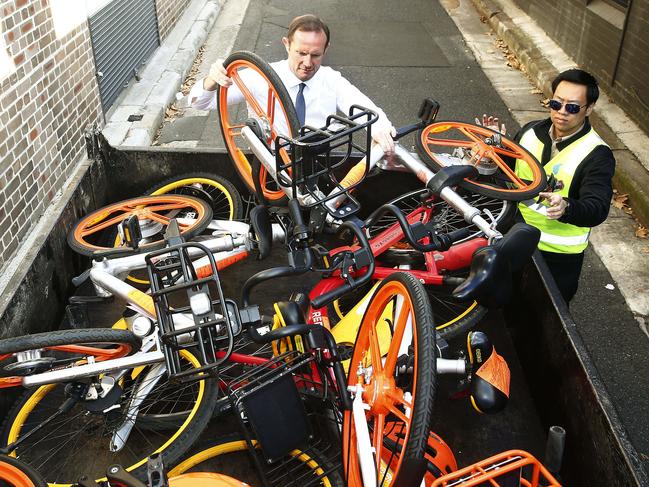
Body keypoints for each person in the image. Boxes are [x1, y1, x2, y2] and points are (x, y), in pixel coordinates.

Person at [483, 69, 615, 303]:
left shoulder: (598, 154)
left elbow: (597, 208)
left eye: (572, 107)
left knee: (543, 327)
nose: (562, 113)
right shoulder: (530, 131)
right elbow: (507, 175)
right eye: (556, 103)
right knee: (499, 308)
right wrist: (496, 149)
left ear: (589, 109)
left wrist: (567, 207)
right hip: (513, 237)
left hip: (558, 258)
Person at [189, 14, 396, 155]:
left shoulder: (332, 80)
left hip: (318, 161)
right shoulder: (260, 76)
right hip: (270, 162)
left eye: (316, 55)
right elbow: (200, 104)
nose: (307, 63)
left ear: (326, 48)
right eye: (301, 53)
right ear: (287, 45)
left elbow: (364, 106)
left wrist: (381, 129)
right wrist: (210, 81)